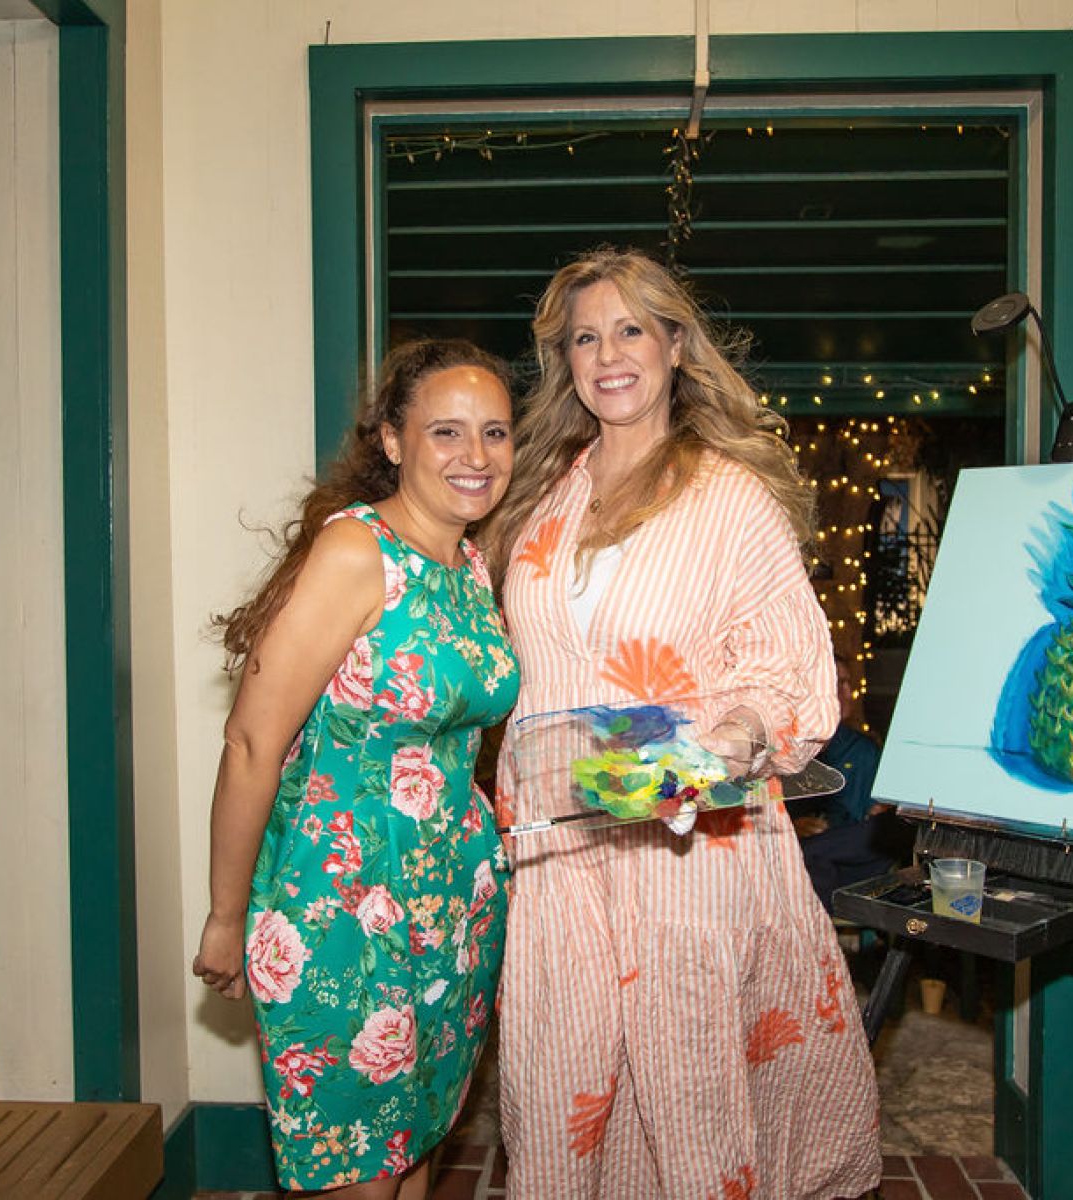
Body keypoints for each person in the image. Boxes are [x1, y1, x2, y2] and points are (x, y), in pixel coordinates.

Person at [481, 249, 881, 1199]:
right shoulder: (539, 497)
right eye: (585, 336)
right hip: (558, 850)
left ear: (674, 345)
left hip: (688, 845)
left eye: (630, 329)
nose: (607, 354)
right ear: (565, 361)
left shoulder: (728, 496)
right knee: (559, 1085)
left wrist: (724, 746)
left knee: (689, 1087)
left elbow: (784, 666)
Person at [192, 339, 520, 1198]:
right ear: (391, 441)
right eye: (445, 431)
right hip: (340, 909)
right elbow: (252, 744)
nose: (475, 456)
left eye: (496, 433)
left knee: (413, 1153)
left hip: (448, 911)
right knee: (356, 1173)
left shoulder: (469, 563)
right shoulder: (356, 553)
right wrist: (228, 914)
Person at [795, 656, 897, 913]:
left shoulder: (861, 750)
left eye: (849, 683)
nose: (849, 694)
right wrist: (795, 827)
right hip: (810, 859)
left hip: (855, 857)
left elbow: (865, 819)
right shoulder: (793, 748)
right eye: (838, 683)